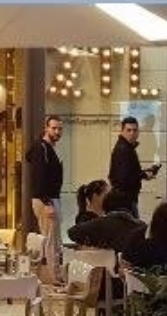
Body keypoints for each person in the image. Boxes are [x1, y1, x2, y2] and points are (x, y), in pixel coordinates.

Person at [25, 115, 64, 280]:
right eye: (54, 128)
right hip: (45, 199)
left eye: (60, 129)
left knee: (52, 238)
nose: (57, 132)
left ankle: (54, 275)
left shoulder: (46, 148)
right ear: (46, 128)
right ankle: (53, 277)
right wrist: (47, 203)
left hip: (48, 198)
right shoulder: (41, 149)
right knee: (50, 240)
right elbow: (39, 178)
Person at [67, 188, 147, 257]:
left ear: (105, 206)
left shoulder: (99, 223)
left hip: (103, 270)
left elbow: (72, 232)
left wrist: (92, 245)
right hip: (131, 272)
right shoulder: (142, 226)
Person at [108, 116, 157, 218]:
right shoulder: (123, 149)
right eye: (128, 130)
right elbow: (124, 178)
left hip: (125, 199)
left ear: (138, 132)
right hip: (124, 200)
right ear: (122, 131)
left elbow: (128, 173)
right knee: (132, 229)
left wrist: (143, 174)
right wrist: (143, 174)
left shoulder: (127, 148)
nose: (132, 133)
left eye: (135, 130)